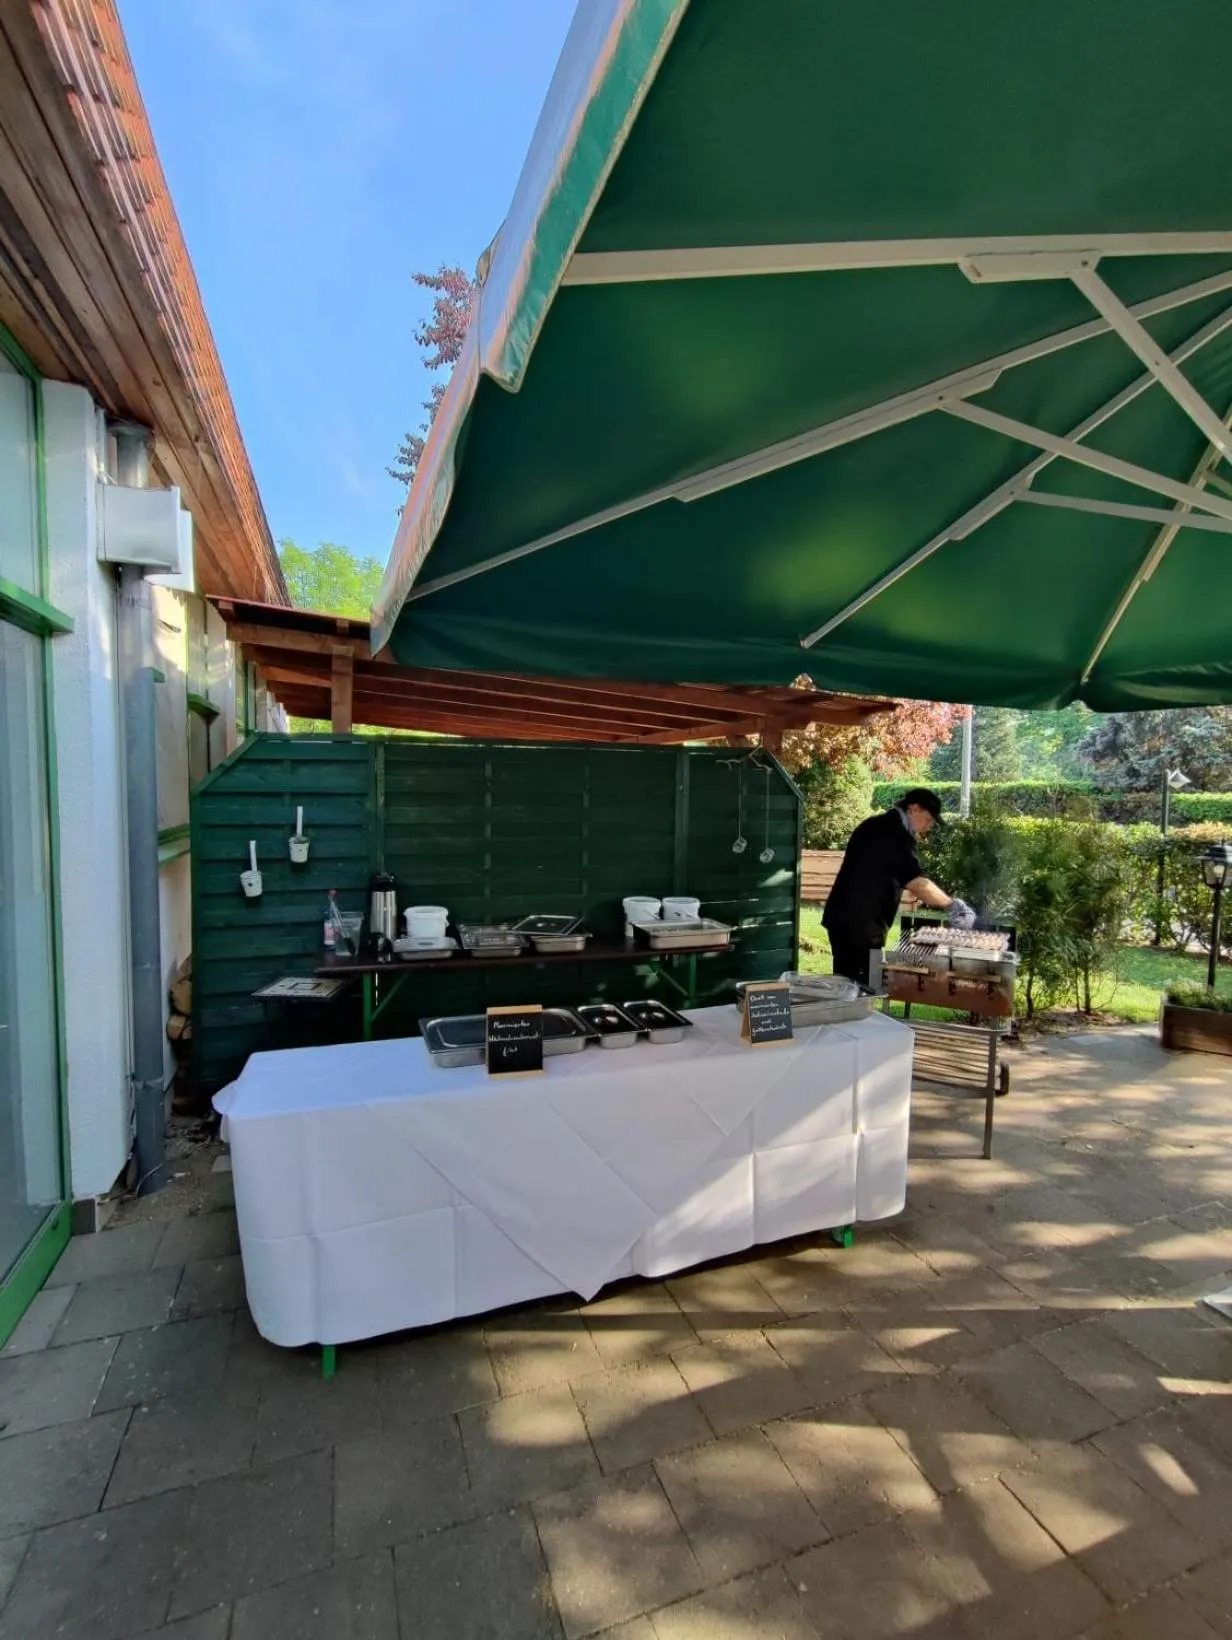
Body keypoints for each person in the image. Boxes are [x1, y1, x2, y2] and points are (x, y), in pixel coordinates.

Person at [823, 788, 975, 987]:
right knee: (858, 988)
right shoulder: (894, 834)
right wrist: (952, 905)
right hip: (860, 924)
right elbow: (918, 884)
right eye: (929, 820)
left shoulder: (876, 824)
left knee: (846, 984)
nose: (929, 827)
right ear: (913, 809)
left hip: (846, 918)